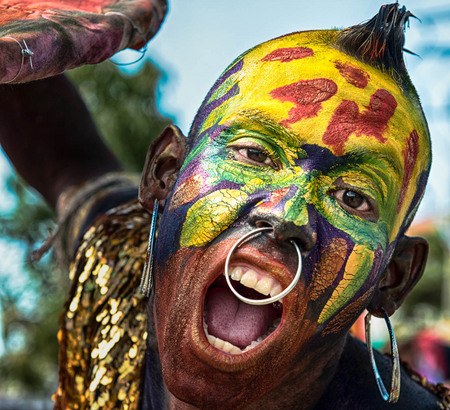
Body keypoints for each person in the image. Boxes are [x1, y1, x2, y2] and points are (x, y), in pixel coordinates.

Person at [0, 3, 449, 409]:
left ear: (392, 278)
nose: (286, 215)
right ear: (165, 173)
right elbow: (69, 164)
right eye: (254, 154)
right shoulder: (118, 266)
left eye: (353, 198)